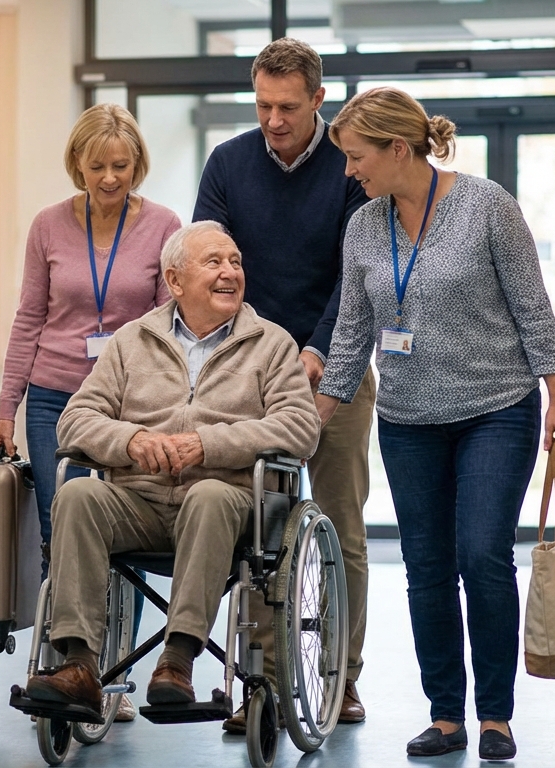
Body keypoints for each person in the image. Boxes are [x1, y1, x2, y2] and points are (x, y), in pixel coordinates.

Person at [316, 86, 555, 763]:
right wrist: (318, 414)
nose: (349, 170)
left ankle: (494, 716)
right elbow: (351, 332)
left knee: (482, 554)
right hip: (406, 420)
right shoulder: (364, 227)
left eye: (356, 156)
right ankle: (445, 716)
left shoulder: (487, 206)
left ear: (398, 149)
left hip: (496, 409)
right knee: (427, 568)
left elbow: (533, 309)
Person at [23, 221, 319, 713]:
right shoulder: (131, 340)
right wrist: (131, 440)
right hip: (139, 501)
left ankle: (177, 662)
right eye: (214, 263)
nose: (230, 273)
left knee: (208, 495)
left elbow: (299, 427)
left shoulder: (271, 343)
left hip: (225, 503)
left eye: (235, 262)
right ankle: (78, 663)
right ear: (175, 280)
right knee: (77, 495)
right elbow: (75, 419)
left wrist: (208, 445)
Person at [193, 37, 374, 730]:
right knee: (255, 533)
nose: (274, 119)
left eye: (289, 107)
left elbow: (356, 276)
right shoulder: (228, 163)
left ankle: (341, 677)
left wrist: (321, 351)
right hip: (252, 373)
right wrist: (265, 354)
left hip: (340, 371)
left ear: (319, 100)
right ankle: (261, 682)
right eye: (264, 105)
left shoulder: (349, 168)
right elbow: (214, 266)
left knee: (341, 528)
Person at [0, 103, 178, 723]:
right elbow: (28, 320)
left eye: (120, 165)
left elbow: (167, 330)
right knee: (59, 527)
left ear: (137, 165)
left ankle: (112, 667)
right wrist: (4, 410)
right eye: (96, 165)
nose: (108, 178)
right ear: (76, 163)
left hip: (128, 406)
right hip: (52, 396)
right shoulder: (48, 226)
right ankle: (66, 668)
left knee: (122, 534)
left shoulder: (163, 226)